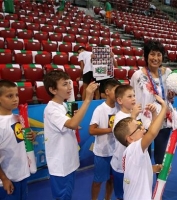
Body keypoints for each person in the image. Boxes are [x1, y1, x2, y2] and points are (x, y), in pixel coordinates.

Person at [43, 70, 98, 200]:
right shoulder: (51, 109)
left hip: (68, 161)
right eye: (64, 84)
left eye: (69, 83)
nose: (69, 87)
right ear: (53, 89)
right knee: (62, 196)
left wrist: (74, 121)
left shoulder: (62, 105)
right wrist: (87, 100)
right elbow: (72, 124)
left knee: (67, 194)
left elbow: (70, 125)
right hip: (61, 165)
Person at [130, 40, 176, 167]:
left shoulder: (168, 73)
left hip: (163, 122)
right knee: (144, 158)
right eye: (152, 54)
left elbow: (171, 97)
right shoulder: (137, 75)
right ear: (146, 56)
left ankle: (159, 187)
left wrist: (172, 96)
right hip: (144, 124)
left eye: (159, 54)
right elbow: (132, 99)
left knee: (161, 160)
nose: (155, 58)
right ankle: (145, 186)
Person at [113, 94, 167, 200]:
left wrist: (154, 168)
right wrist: (164, 107)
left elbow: (152, 129)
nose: (142, 127)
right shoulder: (134, 149)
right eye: (138, 127)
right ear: (130, 138)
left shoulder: (133, 151)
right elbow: (152, 133)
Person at [0, 80, 35, 200]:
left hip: (22, 174)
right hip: (7, 179)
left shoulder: (19, 118)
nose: (15, 99)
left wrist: (31, 136)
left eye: (16, 95)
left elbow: (21, 141)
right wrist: (4, 179)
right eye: (10, 96)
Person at [89, 79, 121, 200]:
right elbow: (91, 130)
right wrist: (111, 130)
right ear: (107, 92)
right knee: (98, 181)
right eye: (115, 91)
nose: (118, 93)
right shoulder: (100, 109)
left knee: (112, 180)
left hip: (116, 152)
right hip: (102, 153)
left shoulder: (120, 108)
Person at [110, 85, 143, 200]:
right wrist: (133, 116)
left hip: (133, 163)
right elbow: (126, 139)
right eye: (129, 96)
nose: (134, 98)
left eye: (134, 95)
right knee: (122, 195)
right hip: (121, 165)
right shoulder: (119, 118)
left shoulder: (134, 115)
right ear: (120, 100)